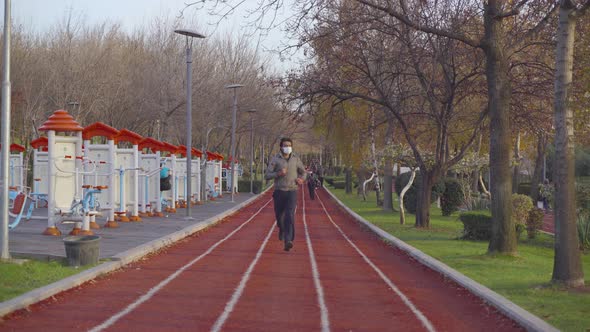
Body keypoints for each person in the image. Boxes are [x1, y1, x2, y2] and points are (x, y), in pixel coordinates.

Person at [265, 137, 307, 251]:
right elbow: (267, 175)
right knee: (279, 217)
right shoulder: (275, 159)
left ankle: (288, 240)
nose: (287, 147)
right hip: (279, 191)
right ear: (281, 147)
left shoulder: (296, 159)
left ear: (292, 147)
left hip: (292, 191)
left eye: (289, 145)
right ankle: (282, 229)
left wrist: (301, 179)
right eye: (285, 145)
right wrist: (278, 173)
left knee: (289, 215)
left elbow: (303, 172)